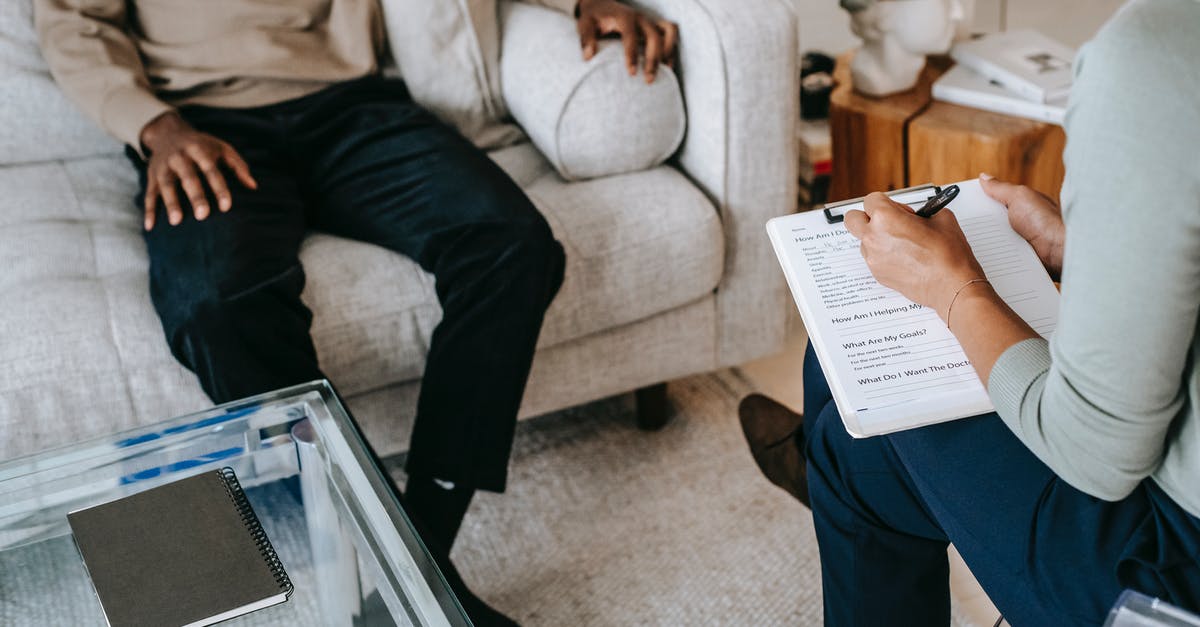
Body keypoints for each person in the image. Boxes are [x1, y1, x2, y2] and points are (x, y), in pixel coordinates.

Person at [34, 0, 677, 623]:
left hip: (353, 106)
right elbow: (72, 19)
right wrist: (155, 127)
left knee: (511, 247)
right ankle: (416, 578)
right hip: (198, 123)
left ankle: (415, 556)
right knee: (215, 307)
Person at [739, 0, 1200, 624]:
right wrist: (1095, 253)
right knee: (847, 388)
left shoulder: (1159, 55)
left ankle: (839, 480)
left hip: (1171, 576)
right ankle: (846, 479)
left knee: (861, 413)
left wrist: (953, 285)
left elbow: (1094, 450)